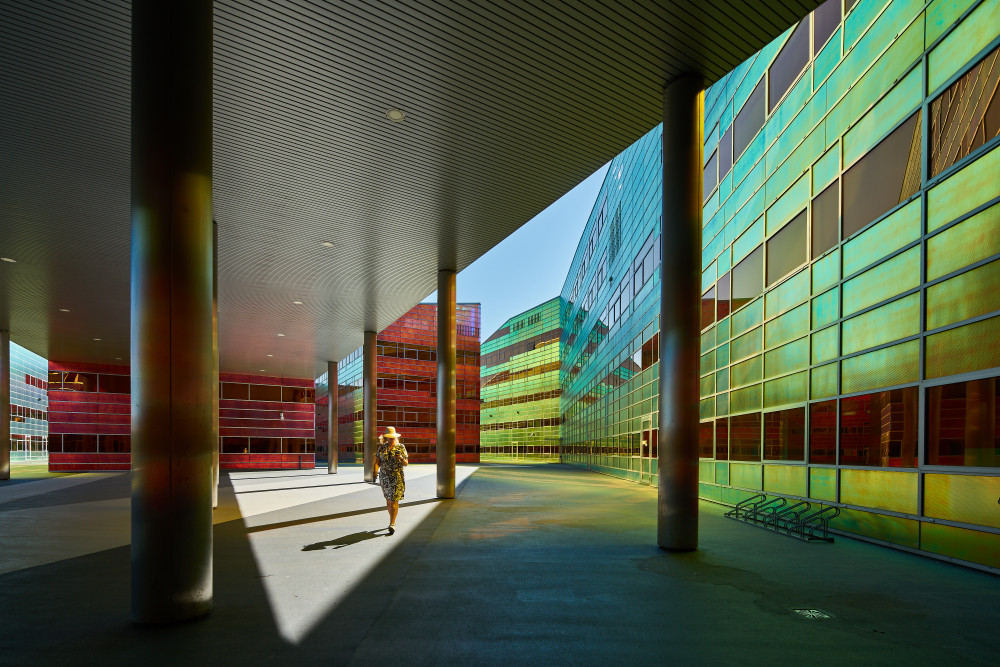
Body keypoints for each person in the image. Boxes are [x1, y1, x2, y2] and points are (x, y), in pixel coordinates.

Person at [375, 426, 408, 534]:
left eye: (393, 437)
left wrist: (401, 458)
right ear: (385, 438)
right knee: (389, 501)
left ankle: (392, 523)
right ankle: (392, 519)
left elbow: (406, 463)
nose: (391, 439)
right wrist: (374, 472)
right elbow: (377, 462)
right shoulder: (381, 448)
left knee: (394, 499)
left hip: (397, 476)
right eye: (389, 437)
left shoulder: (401, 447)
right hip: (384, 477)